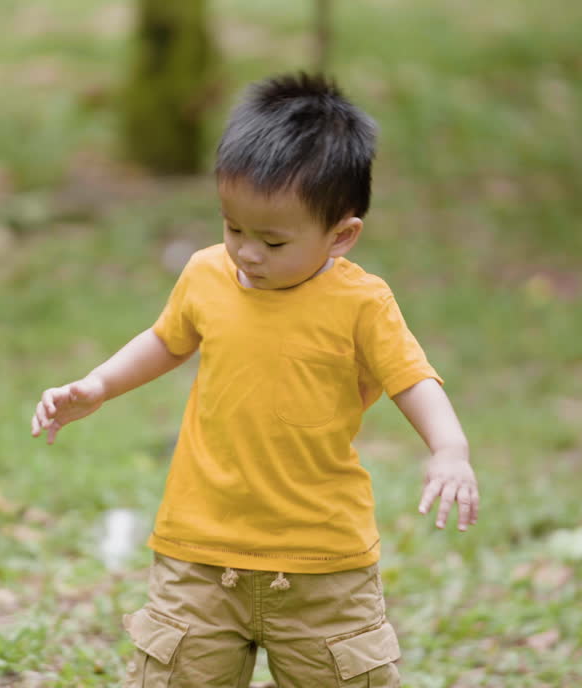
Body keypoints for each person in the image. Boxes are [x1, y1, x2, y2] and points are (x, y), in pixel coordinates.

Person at [30, 72, 479, 687]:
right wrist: (98, 386)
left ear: (341, 236)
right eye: (233, 227)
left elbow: (411, 378)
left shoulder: (362, 304)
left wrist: (449, 449)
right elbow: (166, 340)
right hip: (199, 557)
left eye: (272, 239)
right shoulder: (204, 275)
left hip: (323, 567)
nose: (246, 252)